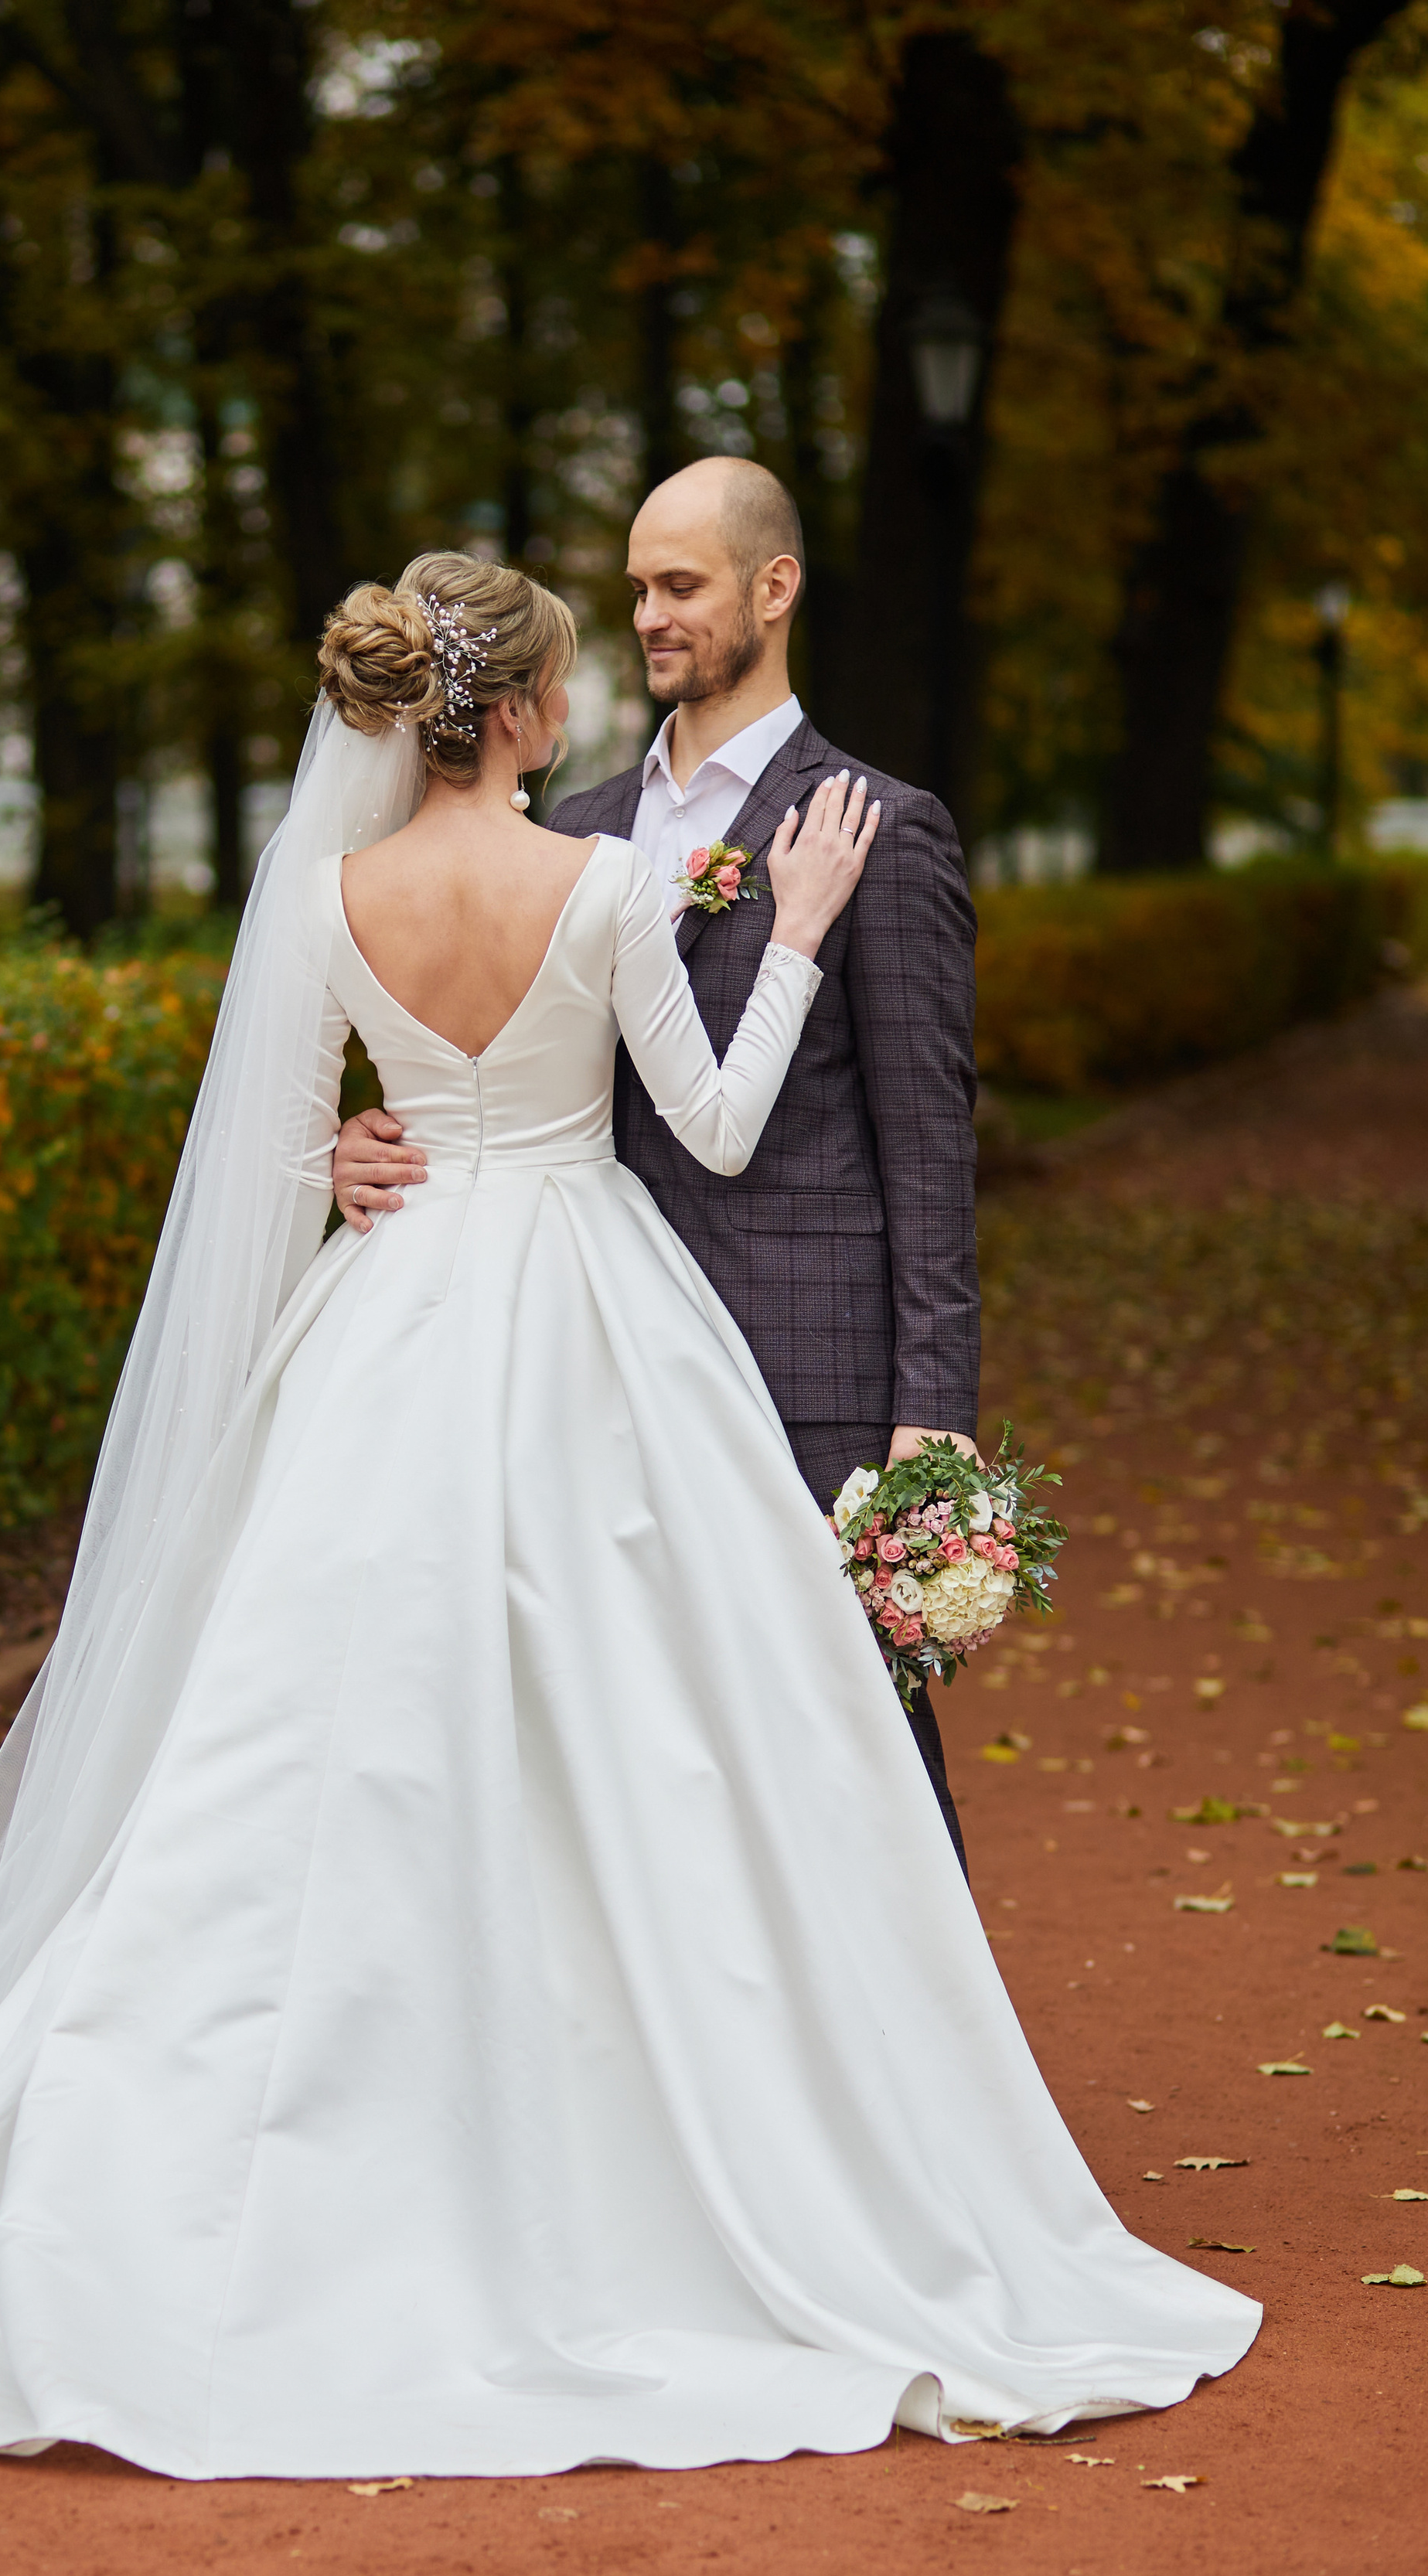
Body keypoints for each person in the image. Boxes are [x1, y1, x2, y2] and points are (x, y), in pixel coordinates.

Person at [0, 554, 1258, 2478]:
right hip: (588, 1311)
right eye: (564, 682)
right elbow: (710, 1126)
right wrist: (794, 930)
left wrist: (366, 1144)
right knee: (653, 1734)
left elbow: (272, 1136)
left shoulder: (324, 897)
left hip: (384, 1323)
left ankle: (280, 2145)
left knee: (314, 1729)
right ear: (527, 715)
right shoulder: (602, 878)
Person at [336, 458, 979, 1866]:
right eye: (634, 589)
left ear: (774, 586)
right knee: (626, 1784)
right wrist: (369, 1137)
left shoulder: (881, 827)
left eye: (679, 584)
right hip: (585, 1375)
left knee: (857, 1768)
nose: (649, 615)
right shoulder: (573, 831)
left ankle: (906, 2076)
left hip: (809, 1372)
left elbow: (931, 1158)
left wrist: (932, 1416)